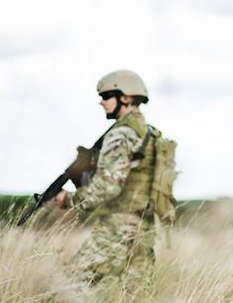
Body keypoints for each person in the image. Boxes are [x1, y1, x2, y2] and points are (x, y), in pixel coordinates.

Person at [54, 70, 160, 290]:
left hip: (116, 230)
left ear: (126, 97)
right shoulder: (149, 133)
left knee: (65, 293)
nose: (101, 102)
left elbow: (108, 187)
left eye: (106, 96)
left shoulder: (120, 135)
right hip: (143, 230)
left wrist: (70, 199)